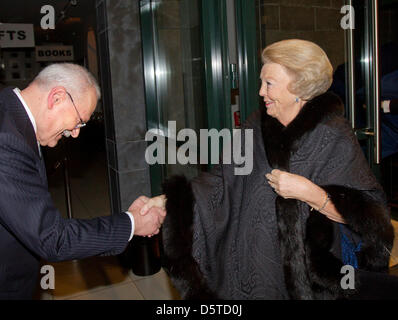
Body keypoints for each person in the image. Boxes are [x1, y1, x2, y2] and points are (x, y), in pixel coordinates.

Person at [159, 39, 396, 299]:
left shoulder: (333, 135)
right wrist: (174, 201)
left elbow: (371, 218)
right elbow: (221, 180)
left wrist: (310, 193)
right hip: (254, 263)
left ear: (299, 85)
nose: (261, 92)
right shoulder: (255, 125)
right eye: (262, 82)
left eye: (269, 83)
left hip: (311, 276)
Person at [0, 63, 166, 299]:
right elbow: (52, 238)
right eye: (78, 121)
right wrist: (132, 223)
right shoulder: (6, 140)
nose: (75, 132)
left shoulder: (11, 116)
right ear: (57, 98)